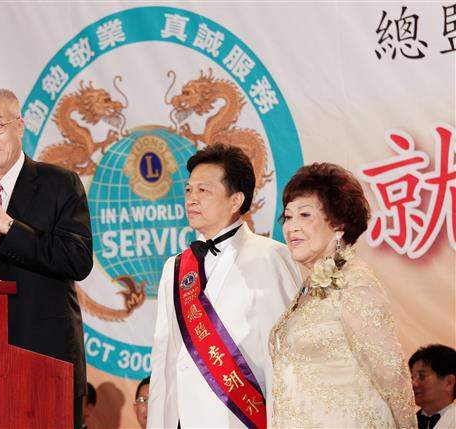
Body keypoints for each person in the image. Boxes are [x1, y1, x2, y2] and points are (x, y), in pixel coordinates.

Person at [0, 88, 93, 429]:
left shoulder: (59, 183)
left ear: (20, 126)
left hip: (45, 354)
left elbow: (78, 259)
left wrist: (9, 226)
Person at [148, 144, 301, 428]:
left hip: (242, 417)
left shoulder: (269, 256)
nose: (191, 199)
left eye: (203, 190)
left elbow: (286, 355)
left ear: (236, 200)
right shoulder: (175, 267)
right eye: (188, 190)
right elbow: (164, 358)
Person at [269, 162, 416, 428]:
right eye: (288, 217)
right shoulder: (309, 287)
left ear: (338, 224)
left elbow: (391, 373)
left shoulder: (355, 282)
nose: (291, 227)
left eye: (305, 215)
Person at [409, 344, 456, 429]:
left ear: (449, 383)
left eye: (422, 376)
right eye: (412, 377)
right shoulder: (406, 422)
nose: (413, 384)